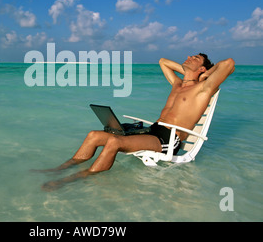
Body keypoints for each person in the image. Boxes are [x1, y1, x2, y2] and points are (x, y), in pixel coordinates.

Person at [41, 54, 235, 191]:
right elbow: (162, 62)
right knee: (94, 135)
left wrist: (204, 75)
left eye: (195, 59)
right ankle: (61, 168)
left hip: (169, 139)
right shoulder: (177, 84)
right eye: (190, 56)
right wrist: (188, 71)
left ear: (203, 68)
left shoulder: (203, 88)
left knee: (114, 142)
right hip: (152, 131)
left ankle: (77, 179)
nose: (189, 57)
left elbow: (229, 64)